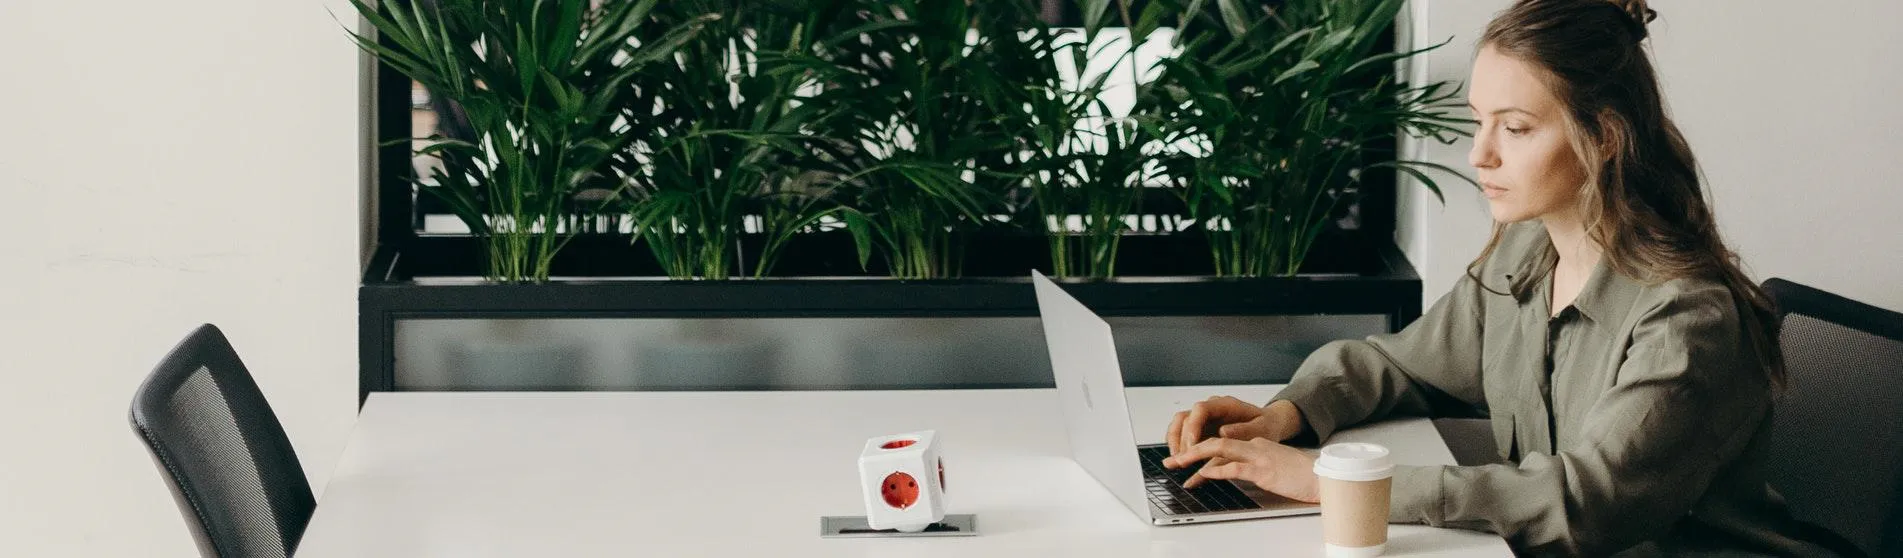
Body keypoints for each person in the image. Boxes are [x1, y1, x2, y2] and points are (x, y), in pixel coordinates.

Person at [1159, 1, 1859, 555]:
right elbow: (1395, 364)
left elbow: (1584, 506)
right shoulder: (1523, 255)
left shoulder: (1686, 317)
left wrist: (1331, 483)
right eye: (1478, 122)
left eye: (1516, 128)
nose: (1478, 155)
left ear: (1604, 138)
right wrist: (1285, 416)